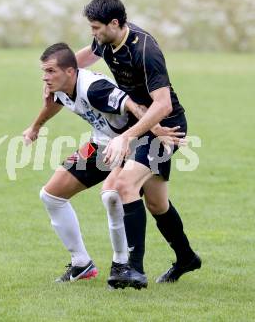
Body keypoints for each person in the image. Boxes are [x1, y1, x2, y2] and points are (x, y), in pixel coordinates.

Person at [23, 43, 184, 289]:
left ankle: (121, 265)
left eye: (50, 71)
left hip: (132, 143)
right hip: (101, 143)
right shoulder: (60, 87)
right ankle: (81, 263)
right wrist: (35, 127)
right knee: (51, 195)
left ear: (69, 72)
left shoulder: (95, 89)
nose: (45, 77)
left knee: (115, 195)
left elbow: (131, 104)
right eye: (43, 71)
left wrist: (156, 129)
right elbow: (55, 102)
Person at [75, 0, 201, 283]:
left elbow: (163, 104)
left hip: (165, 127)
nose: (93, 33)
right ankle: (187, 258)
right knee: (156, 204)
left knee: (122, 185)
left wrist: (126, 137)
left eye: (96, 28)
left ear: (115, 23)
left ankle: (134, 270)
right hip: (141, 125)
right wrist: (61, 71)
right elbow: (85, 57)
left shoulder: (146, 51)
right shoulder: (106, 40)